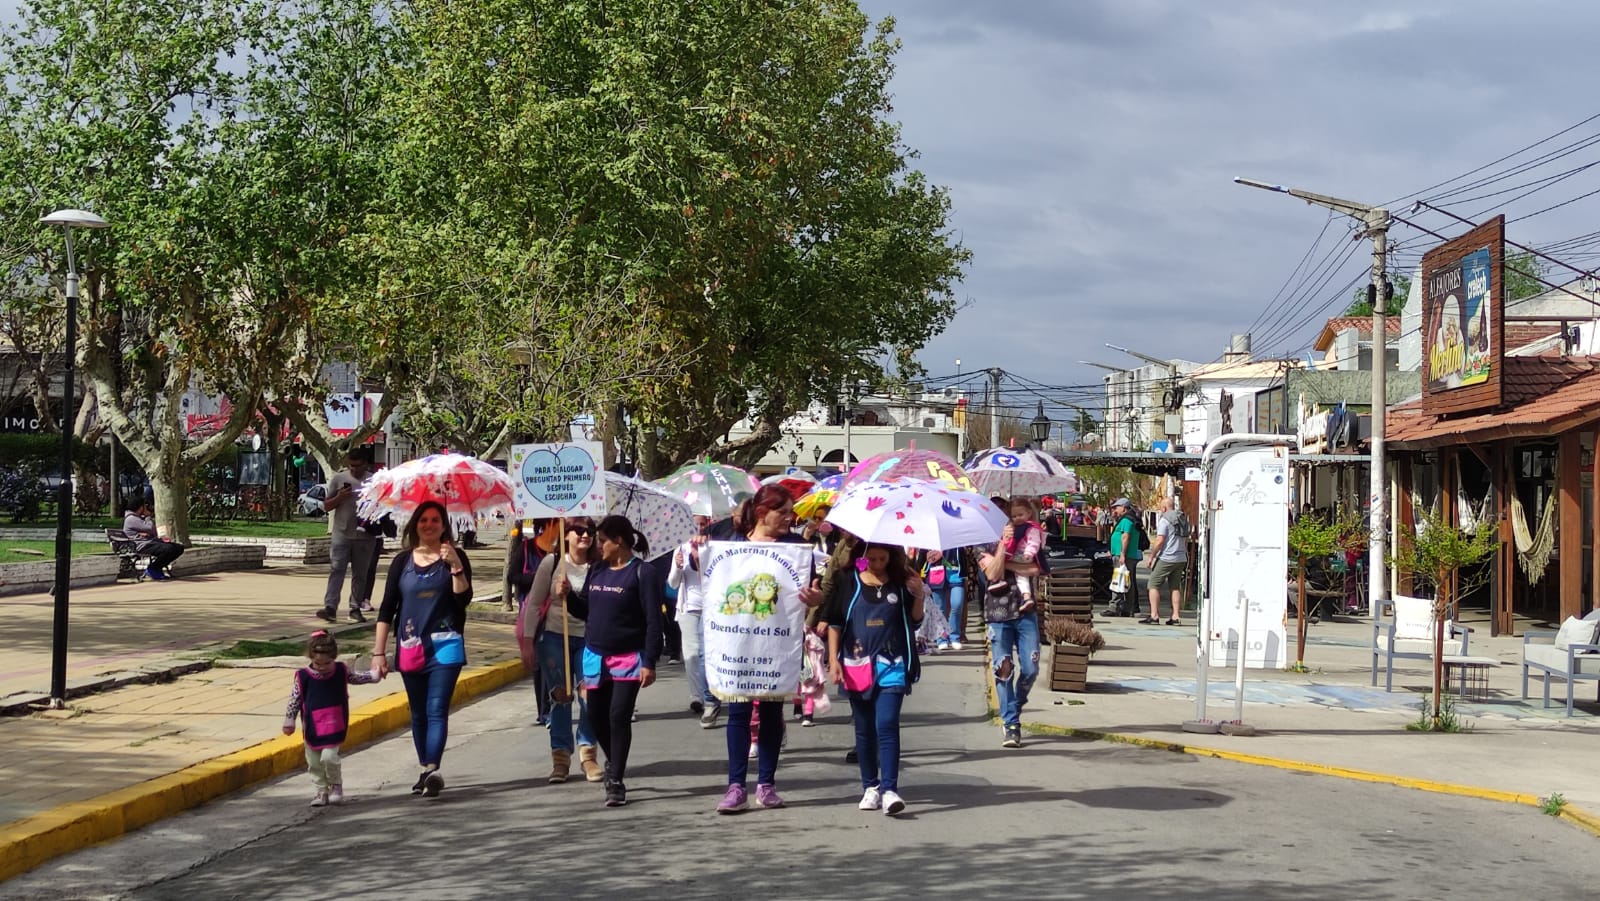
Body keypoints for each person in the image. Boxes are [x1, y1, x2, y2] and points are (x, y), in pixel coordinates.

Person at [698, 485, 824, 814]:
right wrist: (697, 553)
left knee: (771, 711)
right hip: (738, 643)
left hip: (776, 643)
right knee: (739, 713)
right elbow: (710, 580)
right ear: (761, 512)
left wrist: (815, 599)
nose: (790, 518)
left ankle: (766, 785)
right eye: (783, 512)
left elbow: (813, 591)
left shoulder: (797, 549)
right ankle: (736, 786)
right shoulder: (731, 545)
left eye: (791, 512)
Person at [372, 500, 473, 798]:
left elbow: (463, 601)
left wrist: (455, 566)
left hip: (446, 646)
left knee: (436, 708)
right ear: (415, 525)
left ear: (443, 526)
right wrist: (379, 653)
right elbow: (387, 609)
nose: (429, 525)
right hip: (410, 646)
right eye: (424, 520)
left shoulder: (456, 556)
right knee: (418, 713)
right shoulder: (402, 562)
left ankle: (432, 768)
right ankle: (425, 768)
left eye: (435, 520)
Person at [562, 514, 663, 808]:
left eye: (603, 541)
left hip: (629, 658)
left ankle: (616, 779)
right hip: (595, 655)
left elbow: (653, 621)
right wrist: (568, 597)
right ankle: (614, 761)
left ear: (618, 541)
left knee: (618, 715)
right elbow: (586, 611)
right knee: (596, 717)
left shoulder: (643, 573)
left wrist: (650, 661)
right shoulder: (597, 570)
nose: (598, 546)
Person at [825, 542, 924, 816]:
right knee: (864, 729)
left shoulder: (901, 582)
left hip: (893, 664)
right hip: (856, 664)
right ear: (862, 557)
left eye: (882, 559)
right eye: (872, 559)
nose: (877, 564)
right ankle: (870, 786)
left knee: (887, 724)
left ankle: (890, 789)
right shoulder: (848, 580)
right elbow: (835, 623)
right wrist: (834, 660)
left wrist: (919, 595)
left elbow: (915, 620)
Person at [528, 517, 602, 783]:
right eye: (578, 530)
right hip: (554, 637)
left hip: (589, 639)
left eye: (589, 531)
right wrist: (528, 641)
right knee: (560, 696)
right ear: (566, 534)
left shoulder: (598, 566)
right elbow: (534, 603)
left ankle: (588, 754)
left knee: (589, 695)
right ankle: (560, 759)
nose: (585, 535)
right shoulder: (552, 563)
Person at [281, 630, 380, 806]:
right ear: (311, 657)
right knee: (313, 762)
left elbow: (355, 678)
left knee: (328, 757)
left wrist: (372, 676)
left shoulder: (340, 670)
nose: (322, 667)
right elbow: (295, 699)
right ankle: (321, 791)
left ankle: (336, 785)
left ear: (334, 657)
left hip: (334, 723)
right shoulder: (303, 676)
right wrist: (290, 720)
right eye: (318, 663)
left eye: (327, 663)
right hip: (312, 725)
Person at [980, 508, 1040, 749]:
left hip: (1026, 610)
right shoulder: (981, 542)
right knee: (1003, 669)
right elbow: (993, 573)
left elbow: (1035, 568)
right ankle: (1011, 724)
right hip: (998, 613)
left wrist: (1007, 563)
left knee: (1031, 668)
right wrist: (1003, 546)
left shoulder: (1026, 533)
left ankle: (1014, 704)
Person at [667, 516, 720, 727]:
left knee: (709, 654)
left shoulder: (715, 546)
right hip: (688, 608)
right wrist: (678, 566)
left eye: (702, 524)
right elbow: (672, 583)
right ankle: (697, 696)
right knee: (691, 654)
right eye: (693, 524)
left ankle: (713, 693)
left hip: (712, 608)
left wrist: (700, 558)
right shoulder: (680, 548)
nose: (697, 528)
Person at [318, 447, 378, 624]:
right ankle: (330, 607)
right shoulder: (339, 479)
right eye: (351, 465)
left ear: (365, 464)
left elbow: (383, 506)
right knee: (336, 569)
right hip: (341, 534)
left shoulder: (374, 481)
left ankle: (355, 607)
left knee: (361, 574)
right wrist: (339, 497)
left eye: (358, 466)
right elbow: (326, 506)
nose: (354, 469)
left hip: (365, 536)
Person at [1145, 497, 1190, 626]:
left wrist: (1151, 556)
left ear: (1164, 508)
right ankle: (1176, 616)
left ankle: (1154, 615)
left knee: (1153, 584)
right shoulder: (1182, 519)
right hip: (1181, 557)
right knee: (1175, 587)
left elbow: (1160, 541)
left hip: (1167, 557)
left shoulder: (1165, 520)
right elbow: (1186, 538)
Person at [1107, 498, 1149, 625]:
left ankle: (1115, 607)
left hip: (1125, 555)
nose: (1115, 509)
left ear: (1124, 508)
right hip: (1124, 554)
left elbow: (1126, 537)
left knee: (1120, 579)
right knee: (1126, 580)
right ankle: (1127, 608)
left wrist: (1122, 554)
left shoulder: (1127, 520)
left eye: (1117, 507)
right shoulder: (1129, 518)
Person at [122, 499, 184, 581]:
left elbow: (151, 531)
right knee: (168, 549)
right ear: (140, 508)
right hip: (141, 546)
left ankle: (157, 568)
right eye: (145, 506)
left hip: (148, 543)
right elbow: (150, 528)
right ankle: (153, 569)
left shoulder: (137, 518)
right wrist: (148, 517)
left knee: (178, 548)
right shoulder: (131, 519)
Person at [919, 547, 966, 651]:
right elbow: (922, 555)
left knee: (957, 604)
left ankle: (954, 636)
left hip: (955, 573)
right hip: (936, 573)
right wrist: (921, 574)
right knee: (940, 609)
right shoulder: (931, 538)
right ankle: (941, 638)